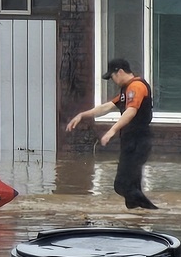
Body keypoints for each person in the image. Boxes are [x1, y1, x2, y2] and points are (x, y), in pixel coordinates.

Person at [66, 58, 157, 210]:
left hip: (138, 141)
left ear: (120, 72)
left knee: (122, 185)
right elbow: (107, 107)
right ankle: (139, 220)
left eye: (112, 76)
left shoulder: (136, 87)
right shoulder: (127, 90)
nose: (113, 80)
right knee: (131, 192)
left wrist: (111, 131)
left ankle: (156, 213)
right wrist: (82, 115)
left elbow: (131, 111)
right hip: (132, 141)